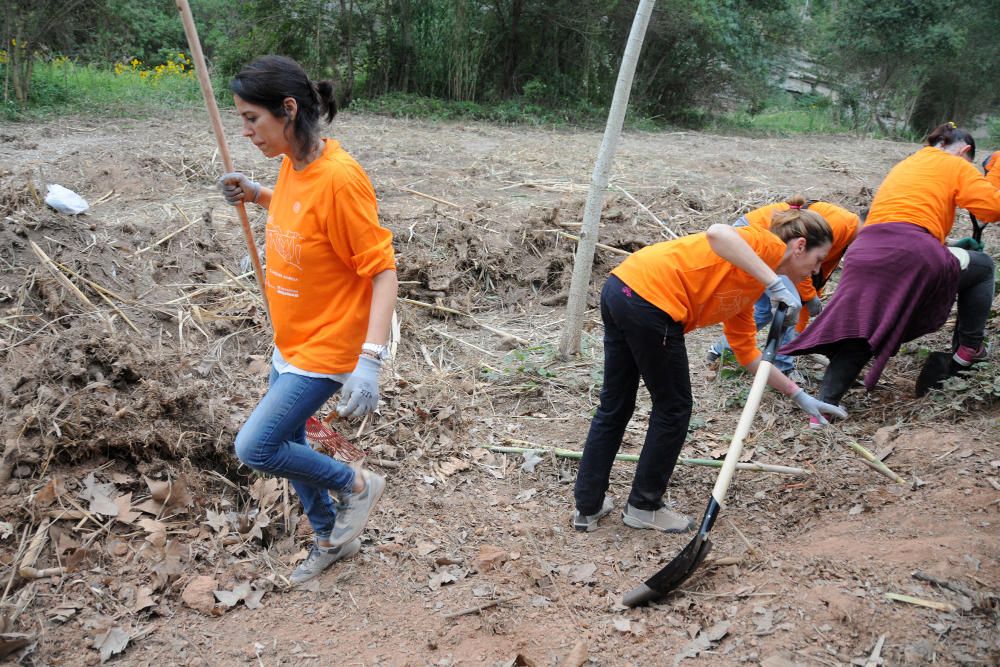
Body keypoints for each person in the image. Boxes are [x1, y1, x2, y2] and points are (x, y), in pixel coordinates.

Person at [218, 56, 398, 584]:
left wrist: (370, 360)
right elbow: (303, 214)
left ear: (288, 110)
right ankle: (330, 537)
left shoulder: (342, 178)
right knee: (291, 440)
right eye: (241, 119)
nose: (245, 130)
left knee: (258, 446)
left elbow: (383, 272)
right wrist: (257, 195)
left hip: (328, 345)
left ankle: (357, 485)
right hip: (292, 336)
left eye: (252, 118)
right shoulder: (292, 165)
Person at [572, 210, 847, 533]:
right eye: (819, 259)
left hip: (624, 288)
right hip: (652, 300)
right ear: (799, 246)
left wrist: (799, 395)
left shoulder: (748, 286)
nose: (817, 270)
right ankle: (644, 507)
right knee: (673, 407)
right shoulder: (767, 244)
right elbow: (718, 232)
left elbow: (748, 356)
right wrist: (775, 283)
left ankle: (587, 507)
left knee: (616, 403)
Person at [782, 123, 1000, 416]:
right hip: (913, 251)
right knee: (984, 267)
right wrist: (996, 168)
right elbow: (992, 209)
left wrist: (944, 244)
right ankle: (968, 350)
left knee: (863, 324)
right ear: (965, 151)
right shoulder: (956, 163)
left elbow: (905, 217)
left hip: (866, 250)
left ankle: (824, 407)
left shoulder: (907, 164)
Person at [706, 197, 863, 377]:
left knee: (768, 309)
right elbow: (800, 271)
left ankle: (721, 349)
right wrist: (808, 297)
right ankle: (783, 366)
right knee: (786, 304)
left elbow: (816, 274)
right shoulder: (840, 226)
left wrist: (801, 324)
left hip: (775, 245)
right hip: (750, 237)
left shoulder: (848, 235)